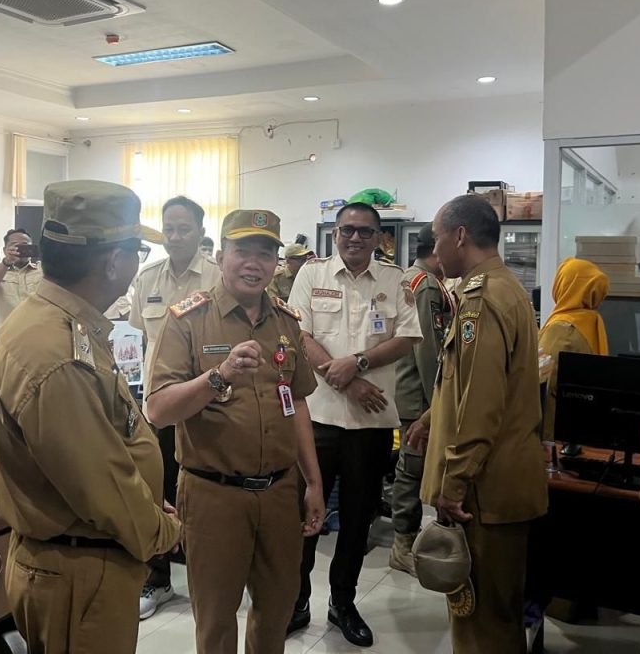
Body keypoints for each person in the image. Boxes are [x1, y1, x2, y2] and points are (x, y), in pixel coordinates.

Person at [0, 181, 182, 654]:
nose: (136, 264)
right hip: (80, 572)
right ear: (113, 262)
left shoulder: (57, 322)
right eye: (135, 251)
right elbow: (101, 481)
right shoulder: (56, 352)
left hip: (80, 559)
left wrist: (147, 502)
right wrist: (162, 531)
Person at [145, 209, 326, 654]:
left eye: (265, 253)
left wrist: (313, 482)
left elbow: (297, 402)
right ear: (221, 255)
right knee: (216, 618)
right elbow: (158, 410)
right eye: (242, 250)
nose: (253, 262)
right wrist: (218, 375)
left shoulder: (286, 321)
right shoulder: (187, 319)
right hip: (214, 495)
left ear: (275, 263)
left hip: (280, 492)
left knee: (277, 610)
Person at [409, 193, 547, 654]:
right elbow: (470, 381)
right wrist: (432, 416)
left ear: (460, 236)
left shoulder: (480, 298)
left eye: (437, 238)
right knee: (496, 613)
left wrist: (454, 483)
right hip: (499, 484)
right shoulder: (505, 287)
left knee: (480, 621)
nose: (434, 248)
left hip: (482, 492)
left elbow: (482, 404)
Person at [287, 202, 421, 647]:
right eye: (347, 230)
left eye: (365, 231)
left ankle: (342, 603)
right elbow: (298, 336)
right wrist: (346, 379)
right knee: (306, 515)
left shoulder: (395, 280)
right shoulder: (312, 275)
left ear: (379, 238)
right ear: (335, 234)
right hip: (317, 420)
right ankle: (296, 601)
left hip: (372, 422)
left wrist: (358, 363)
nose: (355, 238)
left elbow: (408, 337)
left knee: (358, 520)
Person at [129, 195, 221, 619]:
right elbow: (141, 337)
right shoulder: (148, 278)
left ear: (201, 232)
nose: (176, 236)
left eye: (184, 229)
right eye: (169, 229)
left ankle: (210, 575)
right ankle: (158, 578)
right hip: (160, 403)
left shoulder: (218, 277)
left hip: (207, 401)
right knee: (156, 486)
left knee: (205, 489)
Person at [389, 224, 453, 575]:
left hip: (408, 390)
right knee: (412, 469)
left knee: (411, 468)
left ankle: (408, 538)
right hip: (418, 395)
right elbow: (427, 349)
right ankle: (403, 543)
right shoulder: (426, 285)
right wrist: (437, 404)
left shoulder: (408, 278)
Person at [537, 257, 609, 439]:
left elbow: (543, 380)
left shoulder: (562, 328)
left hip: (551, 430)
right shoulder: (592, 322)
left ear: (564, 285)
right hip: (579, 425)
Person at [0, 227, 42, 331]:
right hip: (6, 334)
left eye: (24, 245)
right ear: (5, 250)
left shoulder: (42, 271)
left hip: (36, 332)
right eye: (14, 245)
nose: (19, 249)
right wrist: (7, 262)